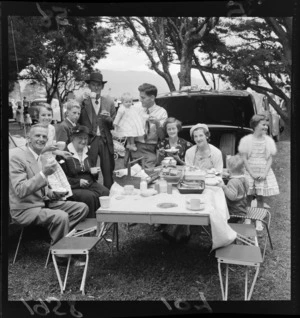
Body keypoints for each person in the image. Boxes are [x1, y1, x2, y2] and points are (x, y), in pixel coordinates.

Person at [9, 124, 89, 264]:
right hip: (25, 208)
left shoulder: (39, 155)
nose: (41, 139)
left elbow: (39, 185)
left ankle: (58, 241)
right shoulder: (16, 157)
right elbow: (20, 190)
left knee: (82, 208)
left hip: (42, 202)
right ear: (28, 138)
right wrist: (44, 173)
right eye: (37, 136)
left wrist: (51, 193)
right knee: (61, 217)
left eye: (44, 136)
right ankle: (62, 257)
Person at [238, 114, 279, 230]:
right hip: (250, 170)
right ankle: (247, 217)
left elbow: (270, 158)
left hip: (263, 170)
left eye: (267, 125)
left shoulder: (268, 141)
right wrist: (251, 173)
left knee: (260, 197)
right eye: (263, 125)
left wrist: (265, 173)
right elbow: (244, 158)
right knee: (248, 197)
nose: (266, 127)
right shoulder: (247, 140)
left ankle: (259, 220)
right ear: (255, 125)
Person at [59, 125, 110, 218]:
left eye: (85, 138)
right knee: (89, 197)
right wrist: (78, 182)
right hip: (72, 185)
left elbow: (92, 172)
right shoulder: (64, 154)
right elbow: (61, 177)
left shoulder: (88, 151)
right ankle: (89, 225)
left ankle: (103, 220)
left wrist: (94, 173)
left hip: (89, 182)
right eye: (80, 138)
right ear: (73, 138)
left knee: (105, 192)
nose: (83, 141)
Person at [78, 72, 116, 189]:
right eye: (93, 84)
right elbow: (76, 118)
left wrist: (108, 118)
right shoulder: (84, 101)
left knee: (108, 170)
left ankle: (109, 193)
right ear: (89, 86)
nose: (96, 87)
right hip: (90, 140)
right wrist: (80, 101)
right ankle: (92, 192)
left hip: (105, 140)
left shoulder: (109, 102)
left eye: (99, 85)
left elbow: (114, 123)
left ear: (102, 87)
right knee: (90, 169)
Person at [130, 83, 168, 168]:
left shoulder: (162, 112)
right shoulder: (135, 109)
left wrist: (157, 124)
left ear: (152, 98)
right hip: (136, 147)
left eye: (143, 98)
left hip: (151, 148)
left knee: (149, 175)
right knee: (135, 176)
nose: (140, 100)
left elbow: (162, 137)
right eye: (140, 97)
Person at [218, 154, 249, 223]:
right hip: (242, 208)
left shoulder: (233, 182)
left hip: (234, 212)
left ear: (230, 171)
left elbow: (232, 197)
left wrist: (224, 187)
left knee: (220, 218)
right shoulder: (244, 179)